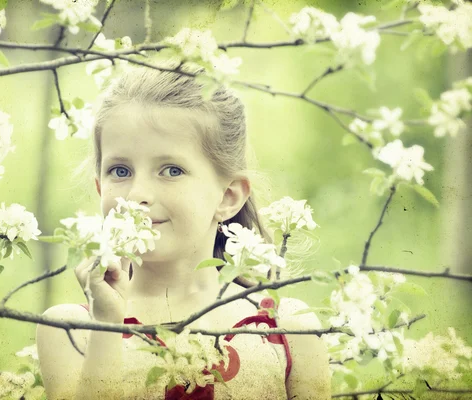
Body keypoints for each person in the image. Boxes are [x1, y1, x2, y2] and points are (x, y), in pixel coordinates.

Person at [36, 62, 331, 399]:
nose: (137, 195)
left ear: (228, 196)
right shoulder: (70, 331)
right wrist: (105, 323)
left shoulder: (288, 329)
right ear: (100, 188)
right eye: (120, 170)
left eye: (171, 170)